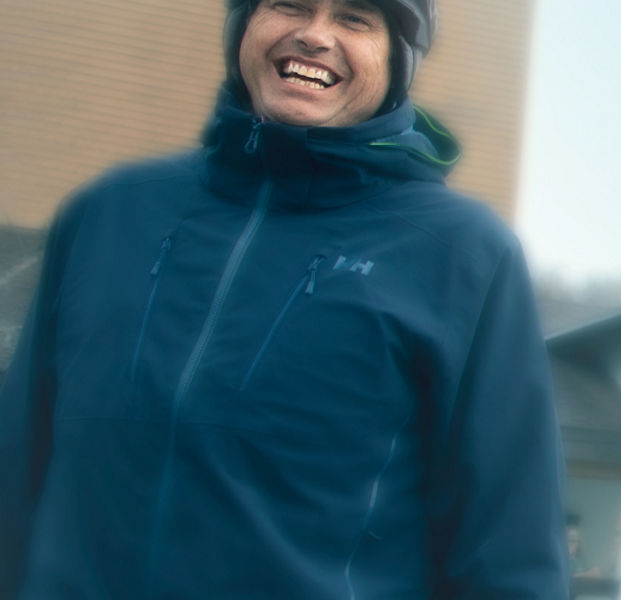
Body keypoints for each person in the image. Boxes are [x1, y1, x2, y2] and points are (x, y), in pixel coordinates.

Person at [0, 0, 568, 596]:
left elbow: (509, 552)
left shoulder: (463, 256)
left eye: (355, 19)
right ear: (243, 24)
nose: (314, 36)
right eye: (289, 4)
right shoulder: (109, 212)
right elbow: (17, 465)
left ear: (397, 59)